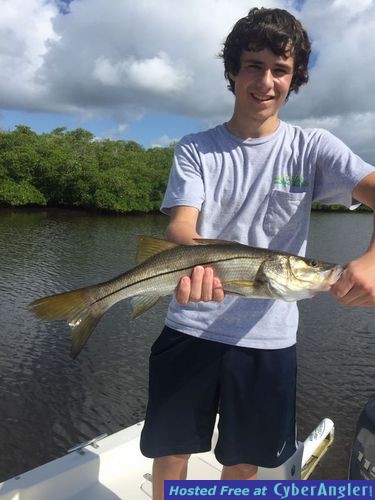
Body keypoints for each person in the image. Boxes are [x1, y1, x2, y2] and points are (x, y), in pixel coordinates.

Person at [140, 7, 375, 498]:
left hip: (269, 342)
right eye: (253, 65)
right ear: (231, 71)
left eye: (280, 69)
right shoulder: (195, 148)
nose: (265, 81)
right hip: (190, 324)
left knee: (244, 463)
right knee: (173, 450)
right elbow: (182, 224)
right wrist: (195, 258)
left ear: (295, 78)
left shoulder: (312, 148)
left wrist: (372, 261)